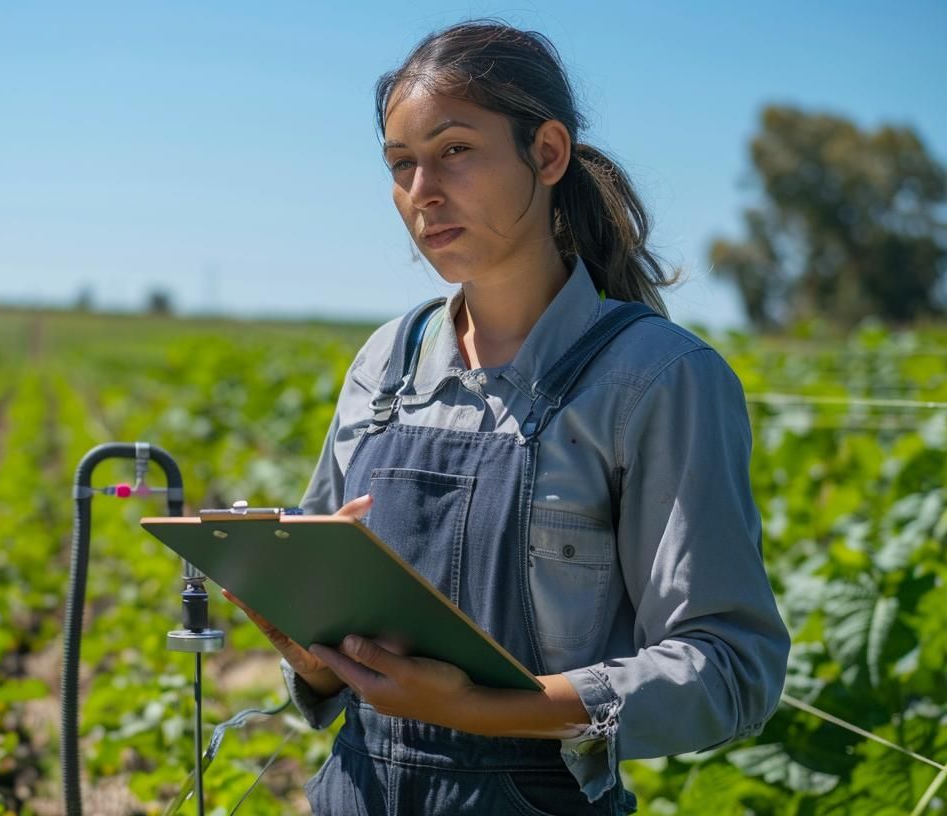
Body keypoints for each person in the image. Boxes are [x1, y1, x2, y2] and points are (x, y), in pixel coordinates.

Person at [220, 19, 791, 815]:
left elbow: (730, 669)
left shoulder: (656, 379)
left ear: (547, 153)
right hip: (355, 793)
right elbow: (327, 654)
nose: (422, 192)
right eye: (400, 165)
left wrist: (484, 709)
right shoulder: (385, 362)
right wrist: (308, 648)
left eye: (455, 150)